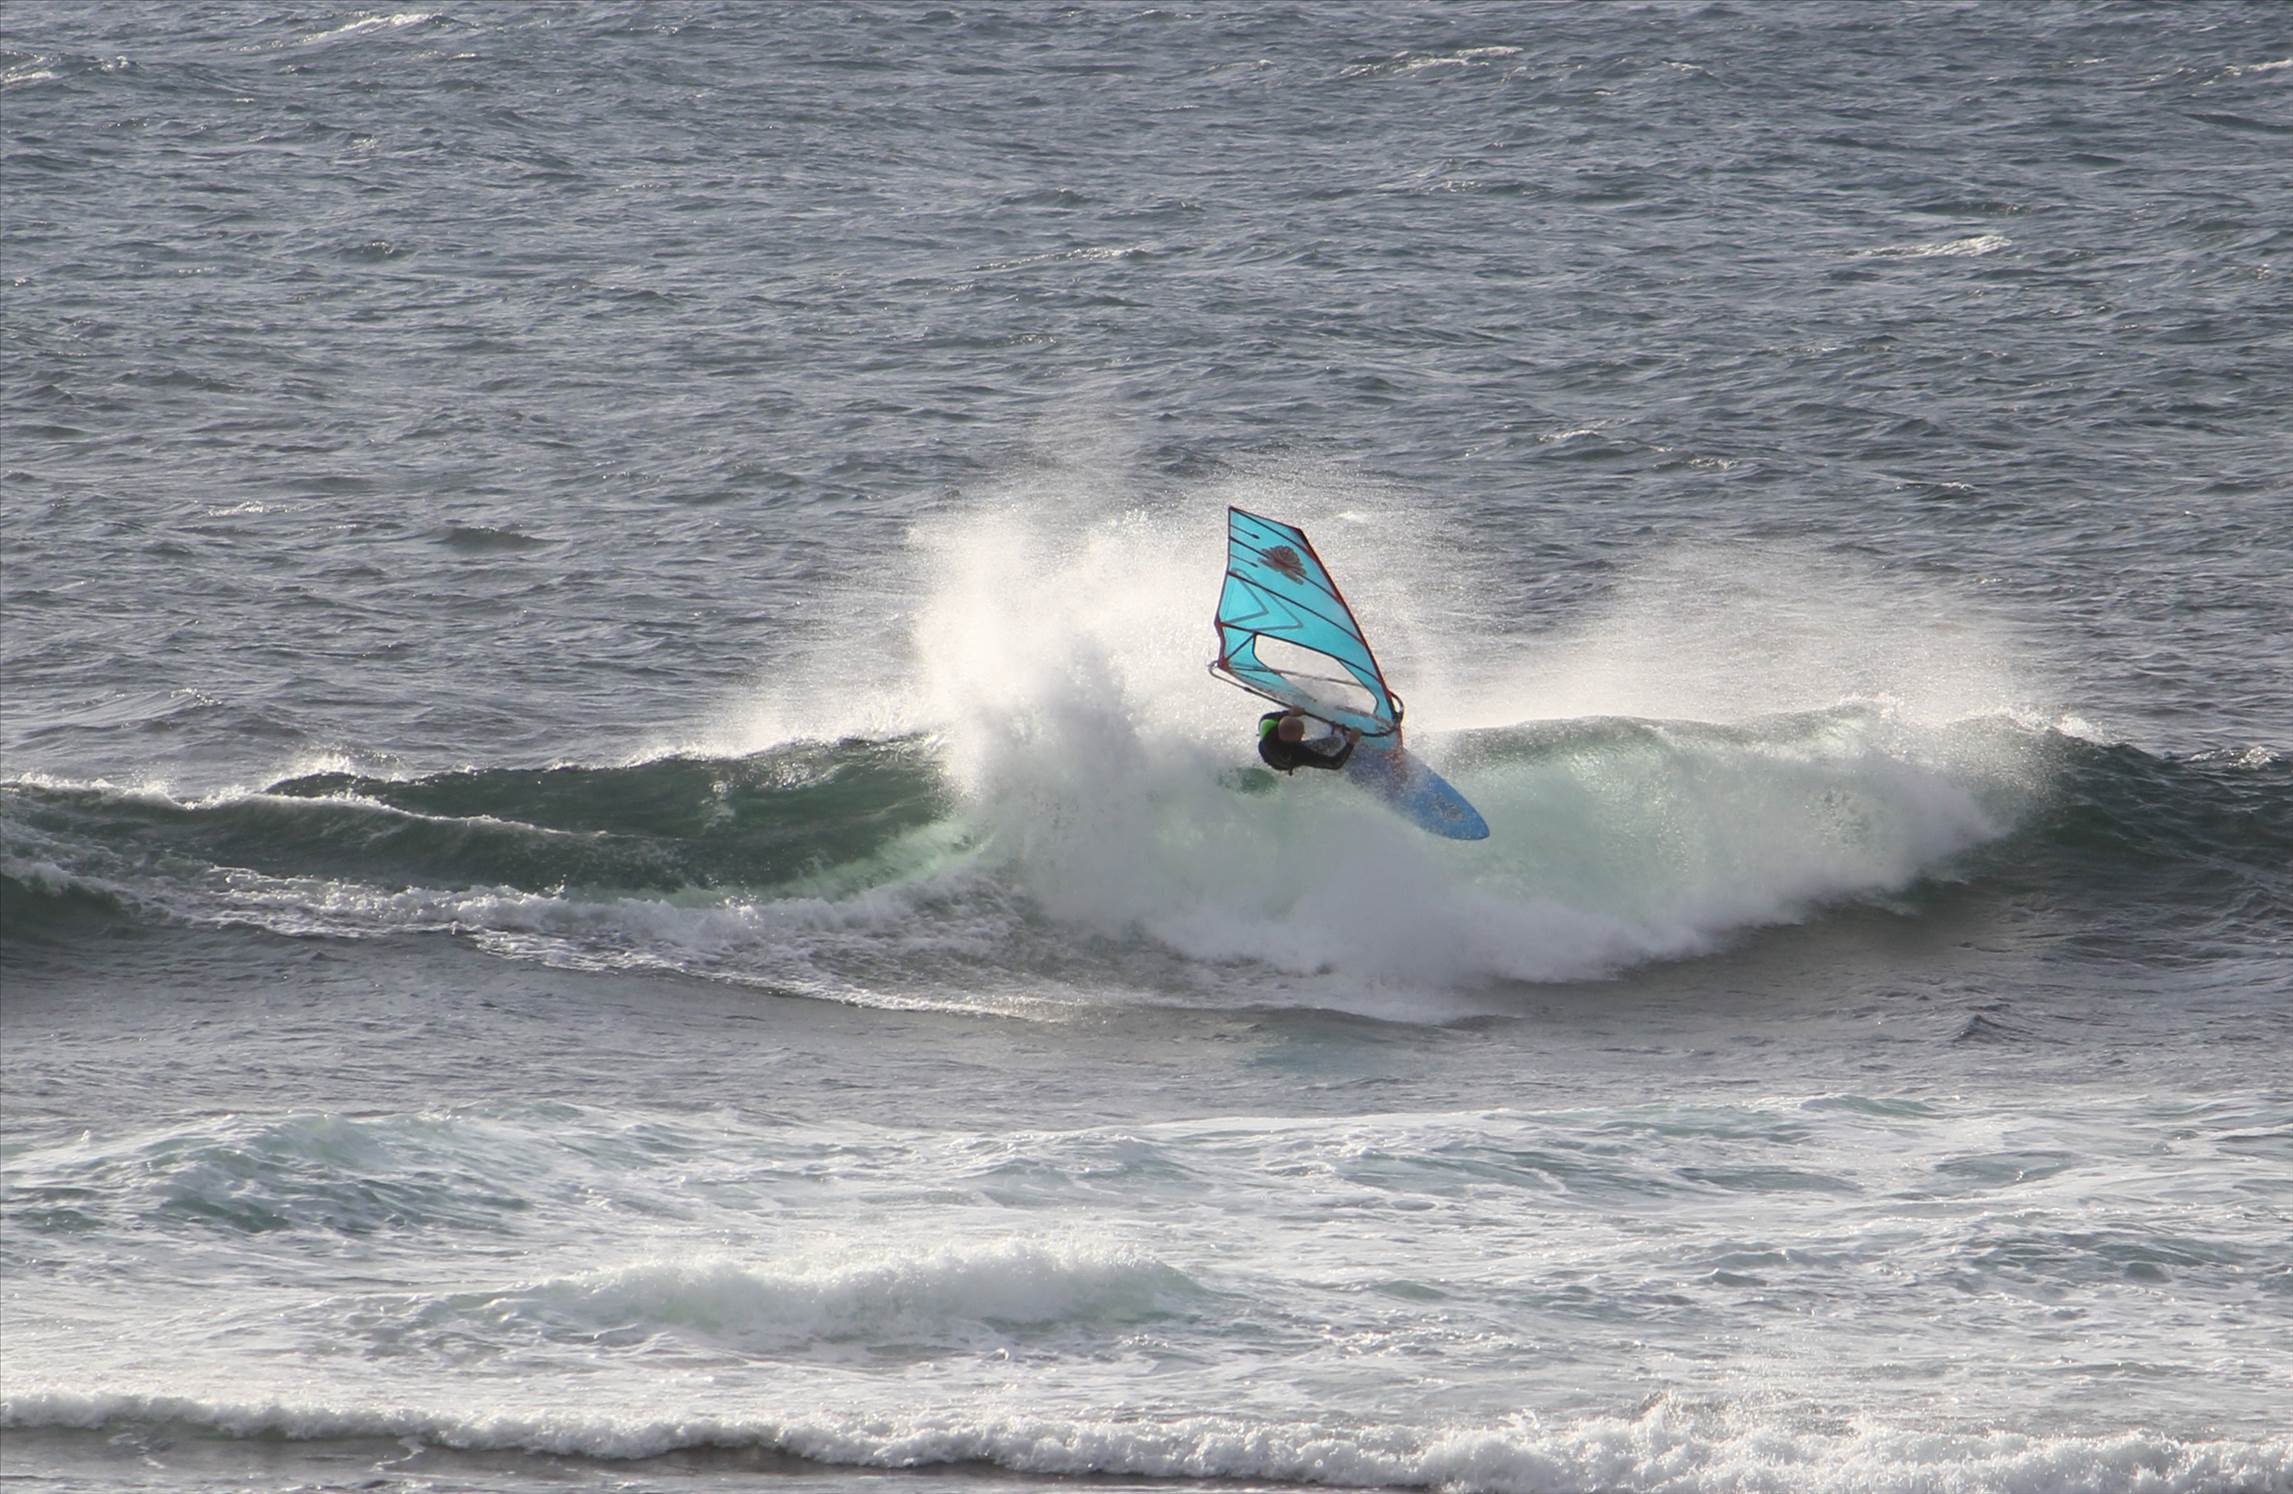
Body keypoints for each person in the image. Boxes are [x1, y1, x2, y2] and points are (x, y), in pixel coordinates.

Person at [1257, 709, 1361, 774]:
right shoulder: (1298, 754)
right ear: (1296, 740)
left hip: (1267, 749)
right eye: (1302, 733)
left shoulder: (1267, 726)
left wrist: (1289, 712)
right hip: (1282, 763)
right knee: (1333, 743)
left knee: (1331, 743)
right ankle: (1344, 742)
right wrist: (1351, 742)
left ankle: (1339, 736)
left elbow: (1267, 717)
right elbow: (1334, 764)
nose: (1305, 732)